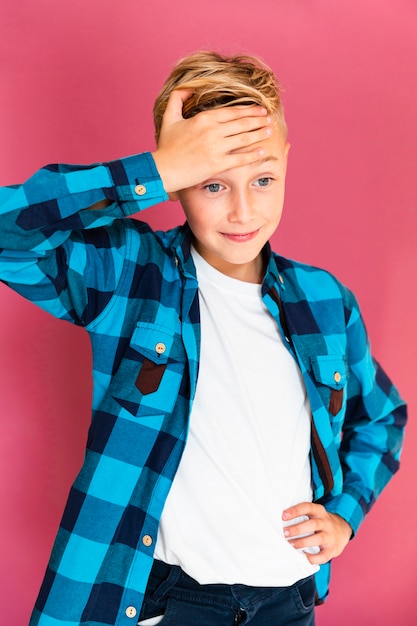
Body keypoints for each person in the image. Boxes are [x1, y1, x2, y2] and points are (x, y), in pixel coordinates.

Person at [0, 51, 406, 626]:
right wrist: (156, 170)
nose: (243, 209)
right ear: (178, 179)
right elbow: (7, 233)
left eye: (263, 179)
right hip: (170, 600)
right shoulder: (129, 272)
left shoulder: (324, 299)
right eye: (212, 183)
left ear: (287, 163)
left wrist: (344, 512)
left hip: (287, 600)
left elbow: (381, 416)